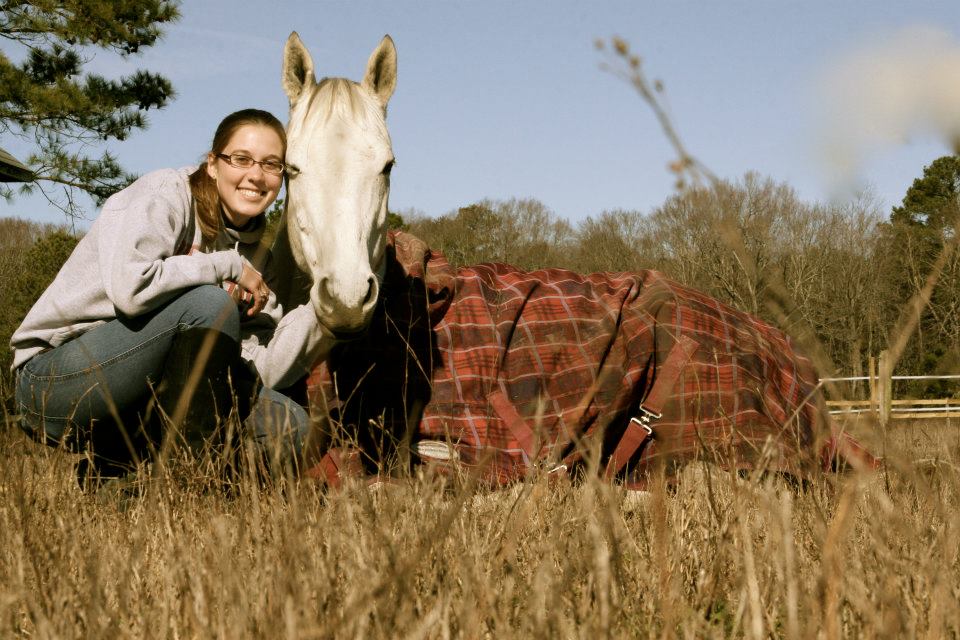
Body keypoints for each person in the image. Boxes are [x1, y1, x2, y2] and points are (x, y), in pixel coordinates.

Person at [10, 108, 327, 483]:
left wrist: (325, 307)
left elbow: (258, 367)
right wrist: (225, 267)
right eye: (241, 159)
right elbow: (132, 287)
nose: (256, 175)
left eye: (272, 165)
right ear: (213, 164)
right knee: (209, 303)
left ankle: (120, 476)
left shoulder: (259, 260)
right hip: (55, 380)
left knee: (292, 428)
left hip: (147, 395)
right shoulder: (166, 194)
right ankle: (188, 485)